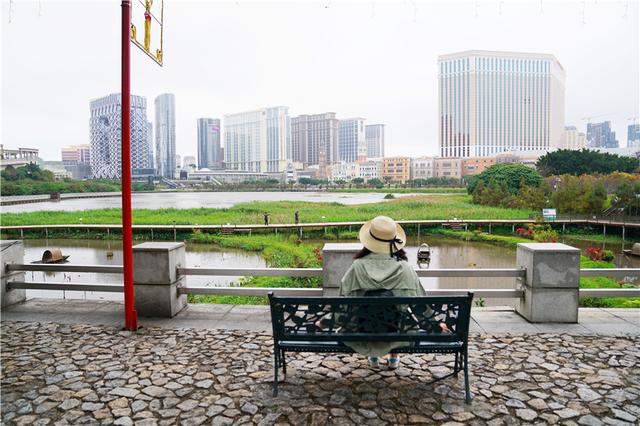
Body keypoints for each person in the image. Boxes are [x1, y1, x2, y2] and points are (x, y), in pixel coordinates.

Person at [339, 215, 442, 369]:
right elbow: (420, 305)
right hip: (399, 335)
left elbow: (343, 304)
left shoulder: (357, 266)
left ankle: (373, 355)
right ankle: (393, 357)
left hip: (362, 334)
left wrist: (323, 322)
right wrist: (436, 325)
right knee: (396, 317)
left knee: (371, 314)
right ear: (395, 242)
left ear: (368, 241)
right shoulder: (405, 268)